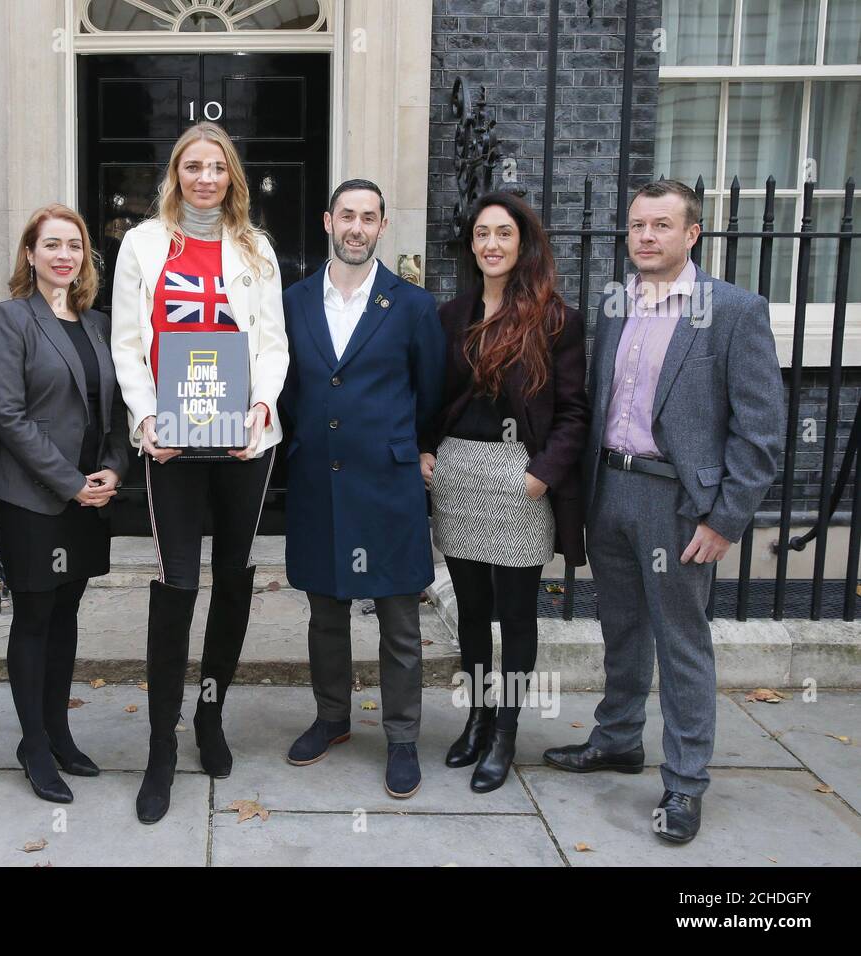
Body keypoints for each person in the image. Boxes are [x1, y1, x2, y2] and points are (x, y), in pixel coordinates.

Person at [542, 179, 785, 844]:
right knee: (620, 628)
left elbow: (761, 432)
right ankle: (618, 738)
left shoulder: (733, 311)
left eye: (661, 226)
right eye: (638, 225)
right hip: (611, 489)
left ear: (692, 235)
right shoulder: (617, 306)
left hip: (678, 503)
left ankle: (684, 782)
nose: (646, 237)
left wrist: (725, 518)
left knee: (681, 643)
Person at [110, 121, 289, 823]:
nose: (205, 177)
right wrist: (147, 417)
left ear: (231, 177)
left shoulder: (257, 248)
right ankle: (161, 745)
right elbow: (129, 342)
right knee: (176, 582)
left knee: (235, 577)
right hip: (172, 443)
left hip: (244, 438)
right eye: (193, 166)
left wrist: (262, 406)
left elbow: (270, 344)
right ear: (177, 174)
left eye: (217, 167)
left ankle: (210, 718)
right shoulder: (143, 244)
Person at [279, 179, 446, 799]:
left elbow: (430, 391)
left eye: (368, 217)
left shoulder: (411, 305)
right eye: (346, 215)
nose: (356, 227)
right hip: (319, 478)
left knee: (399, 617)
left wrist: (412, 446)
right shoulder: (292, 300)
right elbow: (286, 384)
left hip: (389, 481)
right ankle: (332, 718)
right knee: (326, 612)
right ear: (328, 221)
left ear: (381, 227)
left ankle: (402, 737)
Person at [424, 191, 590, 793]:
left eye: (504, 234)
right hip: (460, 474)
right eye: (482, 234)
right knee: (470, 611)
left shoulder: (555, 320)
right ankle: (476, 718)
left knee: (516, 615)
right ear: (471, 245)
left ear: (523, 244)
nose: (491, 245)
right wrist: (427, 450)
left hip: (520, 477)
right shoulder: (449, 316)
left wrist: (541, 474)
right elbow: (432, 396)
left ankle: (507, 731)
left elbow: (574, 411)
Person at [0, 204, 129, 804]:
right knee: (36, 616)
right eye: (51, 245)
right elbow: (7, 416)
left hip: (90, 497)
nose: (64, 255)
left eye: (74, 245)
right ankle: (34, 745)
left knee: (67, 615)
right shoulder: (11, 318)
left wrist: (115, 468)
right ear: (30, 254)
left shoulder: (98, 324)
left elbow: (118, 410)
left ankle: (60, 732)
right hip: (33, 499)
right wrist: (70, 481)